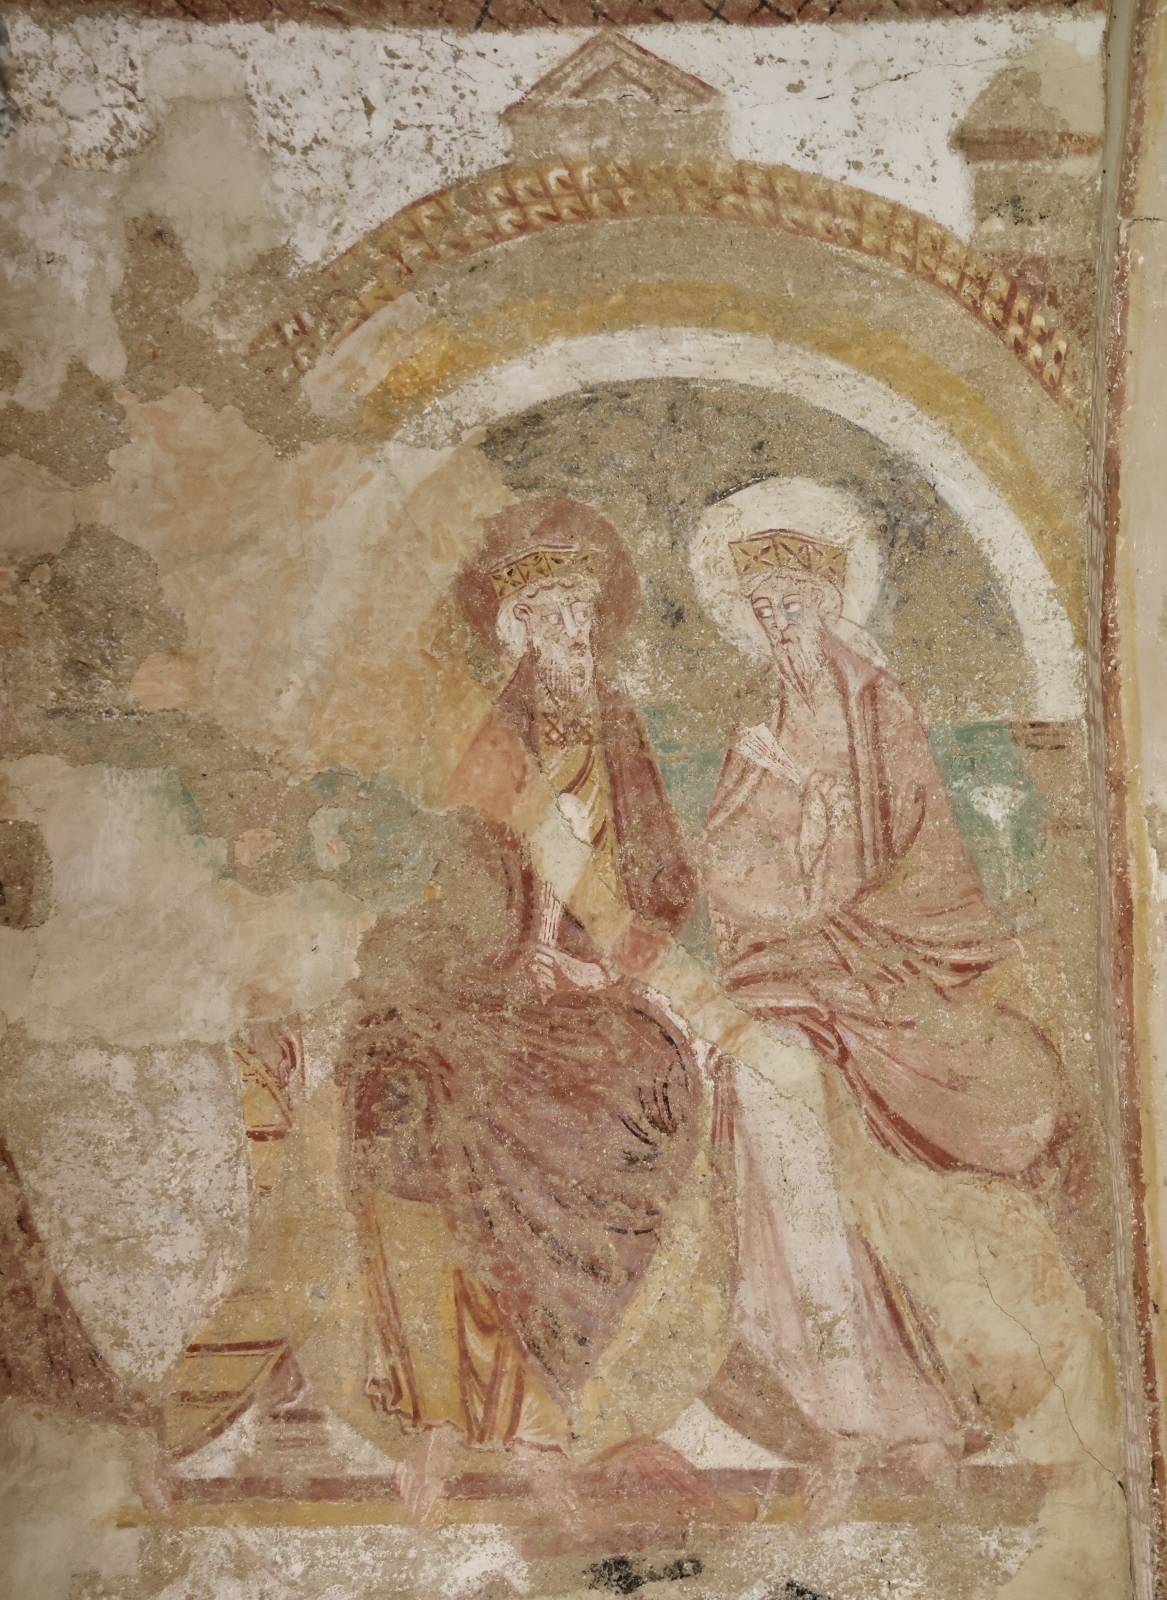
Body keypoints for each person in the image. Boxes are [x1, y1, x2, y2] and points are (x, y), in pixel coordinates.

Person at [694, 486, 1122, 1572]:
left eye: (792, 602)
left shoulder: (877, 705)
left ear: (829, 600)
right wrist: (783, 853)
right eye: (761, 608)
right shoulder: (756, 722)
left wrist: (830, 871)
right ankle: (844, 1411)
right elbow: (726, 870)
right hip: (792, 977)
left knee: (881, 1103)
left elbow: (926, 861)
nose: (778, 623)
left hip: (890, 969)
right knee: (762, 1083)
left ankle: (924, 1408)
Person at [337, 498, 710, 1520]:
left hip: (593, 1002)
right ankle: (438, 1415)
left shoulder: (619, 730)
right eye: (546, 616)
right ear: (517, 630)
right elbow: (447, 878)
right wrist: (505, 945)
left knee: (619, 1100)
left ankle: (543, 1421)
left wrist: (608, 958)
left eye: (580, 613)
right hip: (486, 988)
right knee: (396, 1093)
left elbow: (665, 879)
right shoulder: (487, 740)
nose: (568, 633)